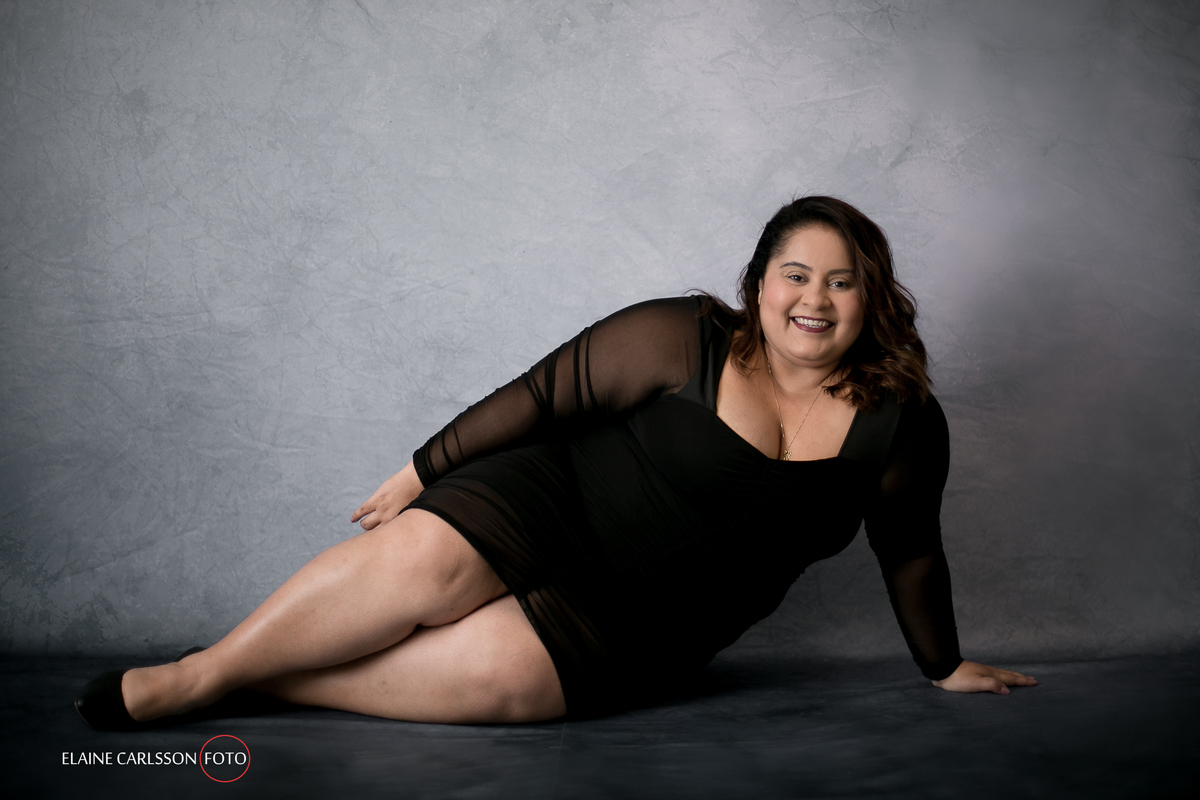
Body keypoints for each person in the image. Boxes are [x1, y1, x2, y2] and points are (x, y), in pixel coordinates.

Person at [75, 195, 1036, 730]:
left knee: (500, 686)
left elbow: (911, 550)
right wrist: (423, 470)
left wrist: (942, 663)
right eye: (795, 274)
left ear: (872, 299)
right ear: (758, 285)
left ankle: (251, 679)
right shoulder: (681, 337)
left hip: (642, 624)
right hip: (554, 500)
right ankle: (197, 680)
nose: (814, 299)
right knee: (422, 563)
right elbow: (543, 395)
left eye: (841, 282)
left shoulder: (904, 425)